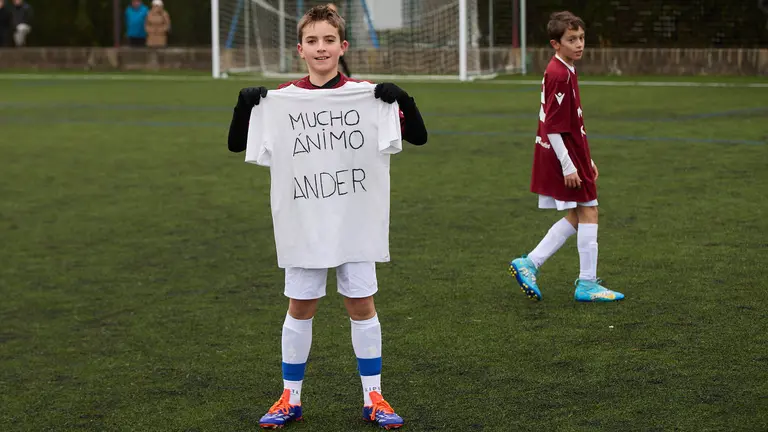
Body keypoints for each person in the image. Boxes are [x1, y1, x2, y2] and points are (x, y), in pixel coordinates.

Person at [226, 5, 427, 430]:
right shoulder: (283, 100)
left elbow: (419, 136)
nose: (321, 48)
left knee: (361, 303)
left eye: (329, 40)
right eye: (312, 41)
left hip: (355, 220)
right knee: (300, 306)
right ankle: (290, 397)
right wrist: (244, 107)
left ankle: (373, 396)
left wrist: (403, 99)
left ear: (342, 46)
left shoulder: (366, 96)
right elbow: (236, 144)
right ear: (300, 49)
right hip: (305, 221)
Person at [508, 11, 624, 303]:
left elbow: (571, 122)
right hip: (565, 156)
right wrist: (570, 165)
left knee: (578, 214)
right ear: (555, 44)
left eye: (581, 38)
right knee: (589, 211)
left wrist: (587, 160)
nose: (579, 44)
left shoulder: (566, 68)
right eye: (571, 39)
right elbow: (553, 127)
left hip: (574, 153)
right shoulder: (559, 74)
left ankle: (530, 262)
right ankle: (587, 284)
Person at [326, 3, 352, 77]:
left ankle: (348, 75)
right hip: (327, 44)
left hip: (337, 43)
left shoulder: (339, 21)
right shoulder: (323, 21)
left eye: (332, 10)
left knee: (340, 59)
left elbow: (344, 32)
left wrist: (345, 43)